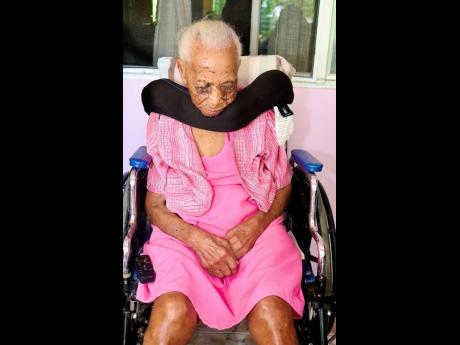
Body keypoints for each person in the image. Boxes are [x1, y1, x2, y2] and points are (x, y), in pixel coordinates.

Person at [137, 19, 304, 345]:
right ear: (183, 72)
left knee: (272, 313)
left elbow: (283, 186)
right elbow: (154, 205)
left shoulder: (260, 115)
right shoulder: (165, 120)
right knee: (172, 311)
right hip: (183, 239)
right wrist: (197, 240)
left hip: (257, 236)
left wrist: (254, 227)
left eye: (227, 85)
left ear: (237, 70)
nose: (217, 99)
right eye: (204, 86)